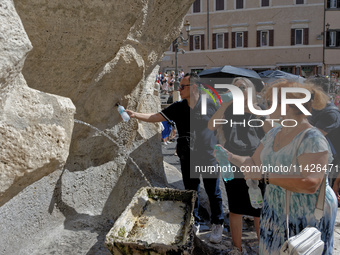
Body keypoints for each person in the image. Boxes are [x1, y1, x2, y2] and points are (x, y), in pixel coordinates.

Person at [215, 80, 337, 255]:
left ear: (288, 105)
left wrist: (265, 177)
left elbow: (311, 183)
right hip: (275, 209)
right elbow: (254, 163)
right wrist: (229, 156)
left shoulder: (312, 138)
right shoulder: (274, 133)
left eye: (270, 103)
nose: (266, 106)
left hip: (306, 214)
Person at [125, 73, 225, 244]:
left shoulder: (209, 104)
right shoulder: (178, 106)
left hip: (208, 154)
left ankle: (218, 224)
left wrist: (221, 148)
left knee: (213, 191)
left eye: (182, 86)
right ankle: (195, 222)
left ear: (193, 87)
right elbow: (156, 117)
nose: (178, 89)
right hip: (188, 154)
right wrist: (135, 115)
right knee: (191, 191)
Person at [208, 77, 271, 254]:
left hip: (256, 161)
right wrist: (224, 105)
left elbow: (272, 131)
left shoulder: (258, 109)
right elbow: (212, 126)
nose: (237, 90)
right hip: (231, 161)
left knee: (259, 209)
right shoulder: (227, 110)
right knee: (236, 208)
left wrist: (257, 112)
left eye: (241, 87)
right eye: (234, 88)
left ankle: (263, 246)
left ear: (249, 90)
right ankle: (237, 248)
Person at [306, 76, 340, 195]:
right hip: (313, 160)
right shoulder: (314, 109)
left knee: (321, 197)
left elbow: (312, 137)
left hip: (326, 164)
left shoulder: (331, 113)